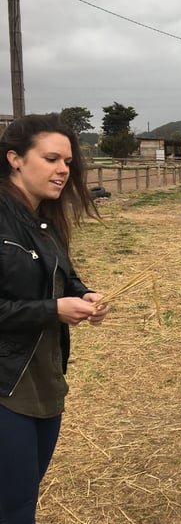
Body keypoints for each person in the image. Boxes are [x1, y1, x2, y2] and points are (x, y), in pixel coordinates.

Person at [0, 113, 110, 523]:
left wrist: (84, 295)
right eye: (50, 159)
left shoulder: (46, 218)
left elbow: (64, 275)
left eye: (67, 161)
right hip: (6, 383)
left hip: (44, 379)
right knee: (14, 506)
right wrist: (54, 311)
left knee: (23, 494)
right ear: (15, 158)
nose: (63, 169)